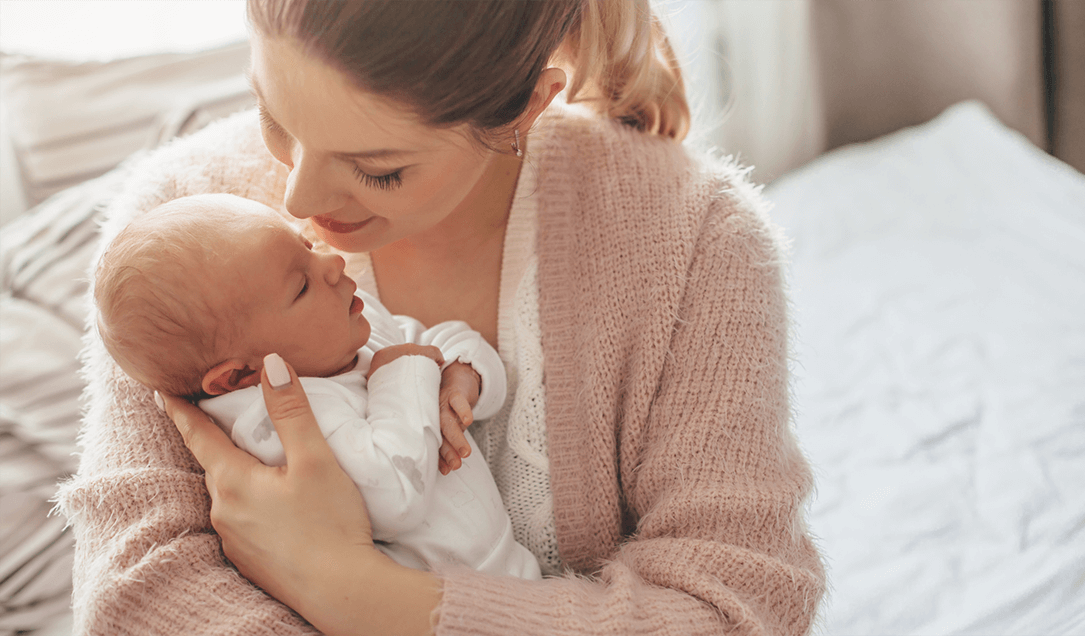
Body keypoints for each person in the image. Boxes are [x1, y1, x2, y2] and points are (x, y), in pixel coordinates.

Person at [58, 1, 827, 634]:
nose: (298, 202)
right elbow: (135, 593)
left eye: (378, 169)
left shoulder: (695, 241)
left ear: (526, 106)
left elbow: (737, 608)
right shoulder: (177, 230)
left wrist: (354, 595)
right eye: (274, 115)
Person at [91, 193, 541, 580]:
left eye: (306, 245)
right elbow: (395, 497)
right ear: (238, 376)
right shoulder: (274, 425)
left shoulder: (347, 334)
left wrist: (463, 377)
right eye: (301, 285)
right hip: (439, 602)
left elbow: (443, 340)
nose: (332, 262)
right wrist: (402, 372)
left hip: (510, 568)